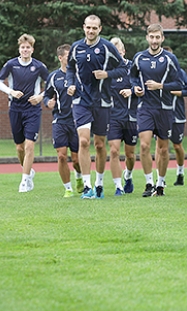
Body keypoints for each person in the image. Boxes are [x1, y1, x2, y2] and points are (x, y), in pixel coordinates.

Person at [67, 15, 128, 199]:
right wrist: (70, 84)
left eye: (94, 28)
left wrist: (106, 74)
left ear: (100, 29)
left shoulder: (107, 47)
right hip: (81, 101)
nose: (91, 31)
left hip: (102, 101)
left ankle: (99, 184)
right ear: (83, 27)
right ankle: (87, 187)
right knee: (84, 141)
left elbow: (123, 68)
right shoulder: (76, 47)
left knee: (100, 145)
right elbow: (70, 68)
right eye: (88, 27)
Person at [130, 24, 183, 197]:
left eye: (157, 37)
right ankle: (149, 183)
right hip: (145, 107)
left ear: (162, 38)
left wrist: (160, 86)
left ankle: (160, 183)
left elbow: (179, 83)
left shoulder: (169, 59)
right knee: (144, 145)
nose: (154, 40)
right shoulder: (139, 57)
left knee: (163, 149)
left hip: (164, 108)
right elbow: (132, 77)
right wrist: (136, 88)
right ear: (147, 38)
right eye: (151, 37)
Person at [0, 33, 49, 193]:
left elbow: (51, 85)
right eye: (23, 47)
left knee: (29, 145)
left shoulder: (39, 66)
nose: (25, 50)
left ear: (32, 49)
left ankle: (24, 181)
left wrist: (40, 96)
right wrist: (11, 91)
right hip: (15, 109)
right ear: (19, 49)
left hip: (32, 110)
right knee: (19, 147)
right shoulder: (11, 64)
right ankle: (28, 171)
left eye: (28, 47)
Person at [44, 44, 83, 197]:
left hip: (77, 121)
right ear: (60, 58)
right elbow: (47, 95)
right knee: (61, 156)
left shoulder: (79, 75)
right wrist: (48, 102)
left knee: (76, 159)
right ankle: (68, 189)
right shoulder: (54, 77)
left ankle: (79, 176)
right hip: (59, 121)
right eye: (68, 56)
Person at [107, 37, 137, 196]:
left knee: (130, 155)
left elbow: (142, 87)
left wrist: (131, 91)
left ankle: (128, 175)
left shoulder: (133, 67)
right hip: (113, 118)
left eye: (118, 53)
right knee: (114, 151)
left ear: (123, 52)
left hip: (131, 117)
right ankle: (118, 186)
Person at [162, 46, 187, 187]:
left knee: (177, 145)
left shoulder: (180, 73)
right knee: (161, 147)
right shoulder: (155, 73)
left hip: (177, 115)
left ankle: (180, 173)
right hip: (161, 114)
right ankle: (160, 178)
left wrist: (171, 90)